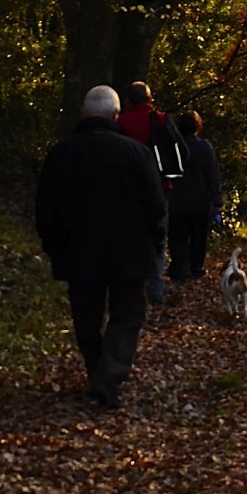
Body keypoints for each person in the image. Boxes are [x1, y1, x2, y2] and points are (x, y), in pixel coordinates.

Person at [34, 85, 167, 409]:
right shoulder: (136, 154)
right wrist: (156, 244)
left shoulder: (62, 154)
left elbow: (46, 209)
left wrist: (56, 248)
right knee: (127, 315)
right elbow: (155, 205)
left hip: (80, 252)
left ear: (83, 115)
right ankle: (108, 376)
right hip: (130, 252)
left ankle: (99, 373)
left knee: (86, 318)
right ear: (115, 115)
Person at [115, 81, 174, 304]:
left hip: (127, 189)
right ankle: (156, 289)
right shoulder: (161, 120)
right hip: (160, 186)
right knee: (158, 236)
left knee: (130, 235)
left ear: (129, 101)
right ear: (150, 99)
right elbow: (181, 153)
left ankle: (132, 284)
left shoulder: (121, 122)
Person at [166, 110, 223, 283]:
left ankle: (179, 267)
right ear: (198, 126)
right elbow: (213, 176)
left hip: (177, 202)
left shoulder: (173, 147)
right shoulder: (205, 147)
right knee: (198, 238)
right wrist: (216, 202)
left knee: (177, 238)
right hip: (200, 202)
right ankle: (195, 267)